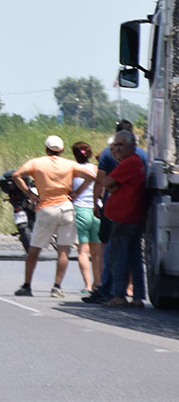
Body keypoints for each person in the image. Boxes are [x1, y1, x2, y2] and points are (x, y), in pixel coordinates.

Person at [12, 135, 95, 298]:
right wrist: (77, 192)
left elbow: (16, 175)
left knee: (34, 249)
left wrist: (29, 194)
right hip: (66, 207)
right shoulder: (70, 165)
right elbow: (92, 177)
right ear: (62, 150)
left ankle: (27, 285)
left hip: (46, 207)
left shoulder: (37, 163)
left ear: (46, 149)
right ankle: (57, 286)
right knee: (63, 250)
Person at [83, 120, 148, 304]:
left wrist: (111, 182)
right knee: (134, 258)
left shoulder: (129, 163)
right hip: (132, 216)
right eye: (114, 146)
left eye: (120, 145)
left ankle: (118, 294)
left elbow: (107, 183)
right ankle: (137, 297)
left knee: (117, 257)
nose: (116, 149)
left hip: (124, 217)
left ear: (131, 145)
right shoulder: (137, 160)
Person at [70, 141, 102, 293]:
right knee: (96, 253)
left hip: (80, 210)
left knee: (83, 251)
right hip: (96, 210)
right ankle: (97, 284)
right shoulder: (95, 169)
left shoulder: (73, 170)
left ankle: (87, 285)